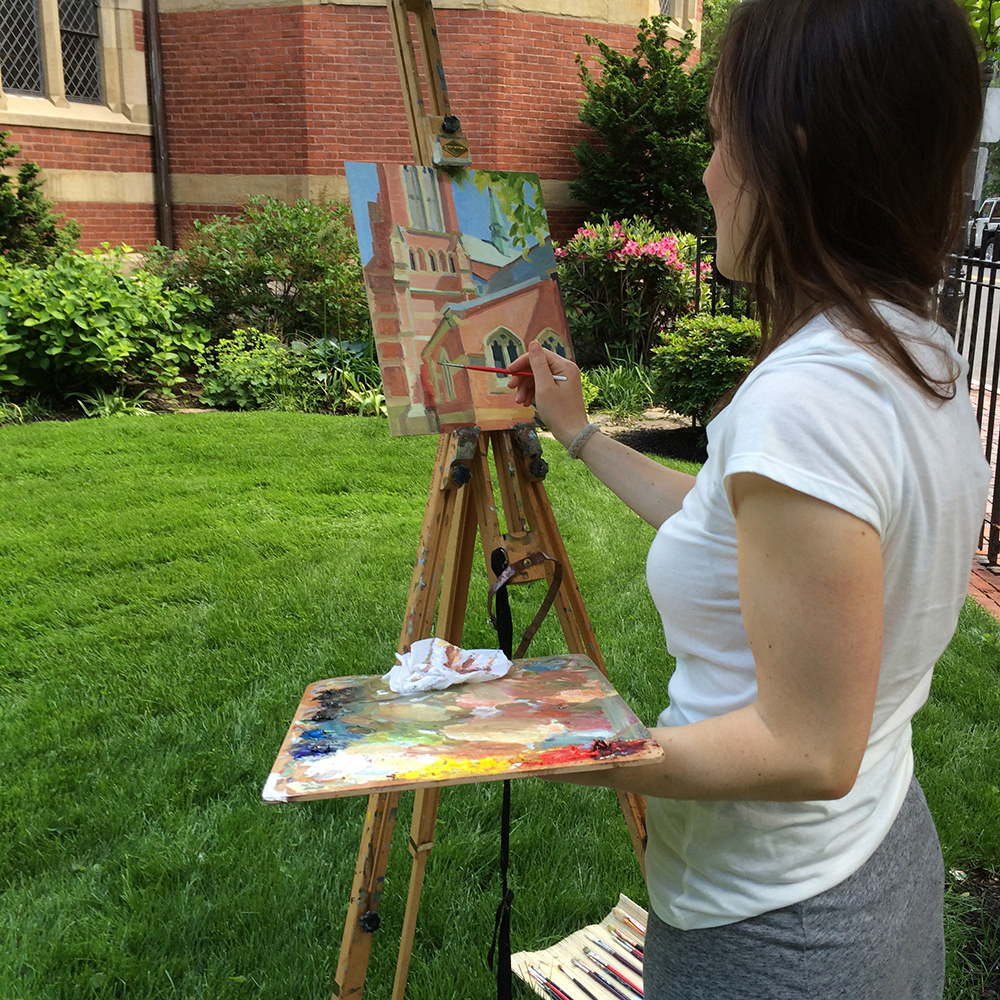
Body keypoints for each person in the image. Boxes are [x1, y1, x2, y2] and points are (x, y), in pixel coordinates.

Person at [507, 1, 991, 997]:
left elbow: (804, 746)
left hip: (777, 929)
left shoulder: (809, 397)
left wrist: (554, 747)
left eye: (725, 136)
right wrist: (582, 434)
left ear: (794, 153)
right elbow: (736, 534)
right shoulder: (912, 351)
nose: (708, 170)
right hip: (870, 860)